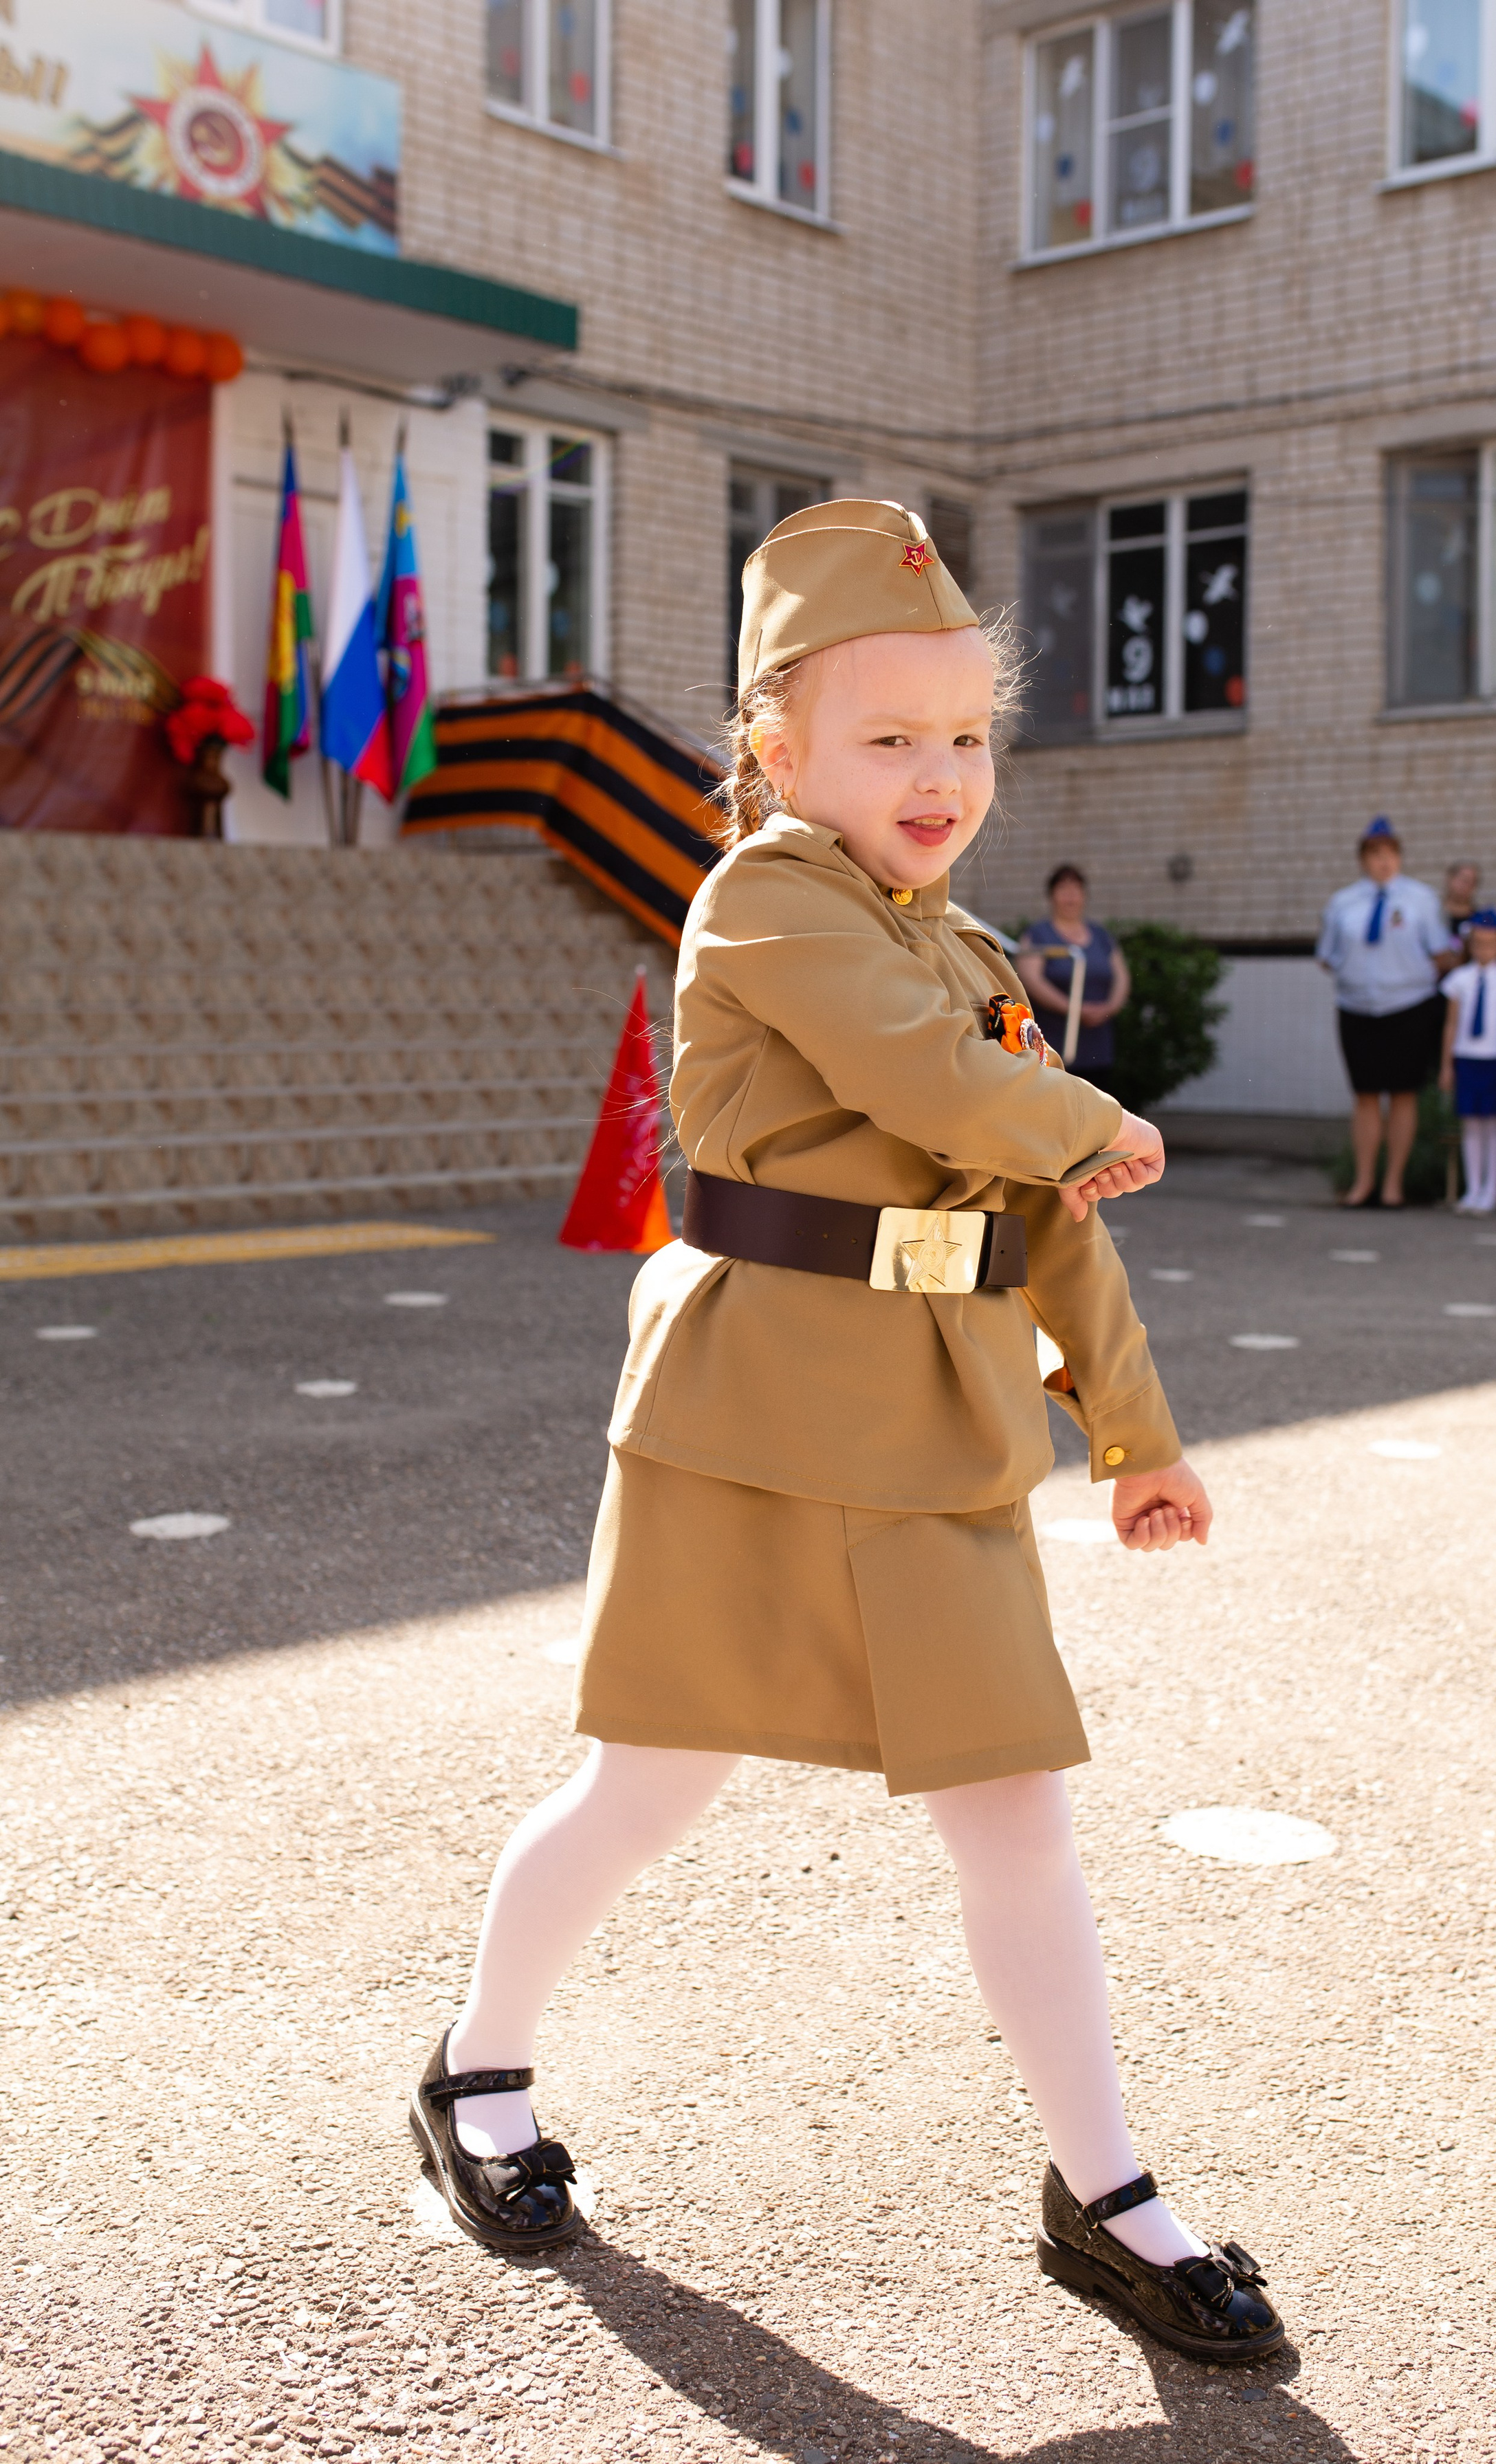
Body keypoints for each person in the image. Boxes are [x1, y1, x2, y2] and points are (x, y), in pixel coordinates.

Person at [408, 500, 1284, 2365]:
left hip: (936, 1435)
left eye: (968, 735)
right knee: (650, 1791)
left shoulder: (970, 953)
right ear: (777, 748)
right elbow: (921, 1084)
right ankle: (477, 2075)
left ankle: (1103, 2190)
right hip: (744, 1421)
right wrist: (1079, 1117)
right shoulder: (767, 897)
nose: (942, 773)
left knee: (1018, 1819)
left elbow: (1042, 1211)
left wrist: (1138, 1434)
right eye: (891, 736)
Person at [1316, 817, 1454, 1207]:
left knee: (1403, 1094)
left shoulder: (1421, 899)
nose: (1384, 862)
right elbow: (1326, 956)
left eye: (1390, 854)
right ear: (1363, 859)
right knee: (1366, 1094)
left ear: (1399, 857)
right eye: (1375, 855)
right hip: (1358, 1007)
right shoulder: (1343, 902)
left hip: (1409, 1006)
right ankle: (1363, 1181)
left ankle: (1394, 1183)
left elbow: (1441, 953)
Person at [1439, 910, 1496, 1214]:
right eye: (1478, 943)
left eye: (1491, 943)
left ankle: (1493, 1189)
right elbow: (1450, 1024)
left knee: (1495, 1124)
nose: (1484, 949)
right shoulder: (1459, 979)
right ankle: (1473, 1188)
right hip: (1467, 1057)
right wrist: (1446, 1064)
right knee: (1471, 1125)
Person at [1017, 865, 1132, 1093]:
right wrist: (1073, 1009)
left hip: (1097, 1044)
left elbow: (1121, 978)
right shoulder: (1038, 935)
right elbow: (1031, 980)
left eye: (1076, 889)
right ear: (1051, 896)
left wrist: (1109, 1008)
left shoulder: (1101, 936)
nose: (1070, 896)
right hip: (1054, 1044)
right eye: (1063, 889)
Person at [1442, 859, 1482, 947]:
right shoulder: (1434, 914)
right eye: (1464, 880)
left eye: (1473, 882)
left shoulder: (1480, 918)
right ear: (1449, 879)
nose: (1467, 885)